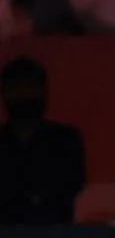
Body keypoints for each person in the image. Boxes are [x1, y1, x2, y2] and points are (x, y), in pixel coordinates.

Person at [0, 58, 85, 224]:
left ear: (44, 91)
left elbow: (69, 187)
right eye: (17, 87)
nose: (25, 94)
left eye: (31, 86)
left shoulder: (66, 140)